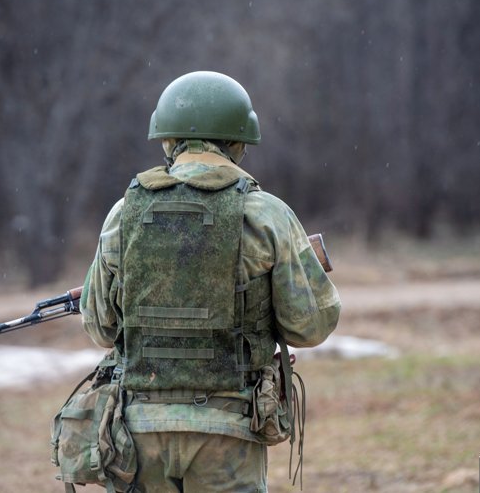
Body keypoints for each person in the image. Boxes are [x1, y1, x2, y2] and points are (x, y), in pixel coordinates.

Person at [80, 71, 340, 492]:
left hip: (139, 436)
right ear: (238, 144)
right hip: (229, 431)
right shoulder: (267, 214)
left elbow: (99, 327)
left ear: (168, 141)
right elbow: (309, 326)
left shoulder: (122, 213)